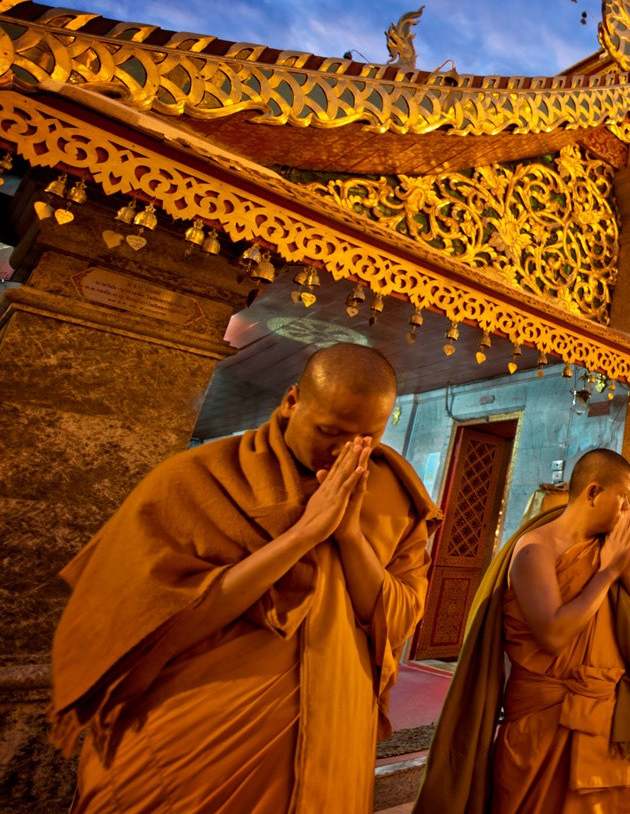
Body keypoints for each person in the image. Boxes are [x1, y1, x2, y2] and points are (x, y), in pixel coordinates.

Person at [49, 343, 441, 812]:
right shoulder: (198, 478)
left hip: (334, 730)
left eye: (366, 437)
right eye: (329, 431)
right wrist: (303, 535)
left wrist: (351, 536)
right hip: (195, 746)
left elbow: (396, 619)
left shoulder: (395, 494)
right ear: (292, 401)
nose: (343, 452)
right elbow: (147, 624)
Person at [415, 448, 630, 814]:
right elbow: (553, 635)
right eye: (623, 497)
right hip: (540, 726)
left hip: (602, 726)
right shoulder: (536, 551)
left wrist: (627, 573)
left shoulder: (612, 551)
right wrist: (608, 574)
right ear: (593, 492)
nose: (628, 510)